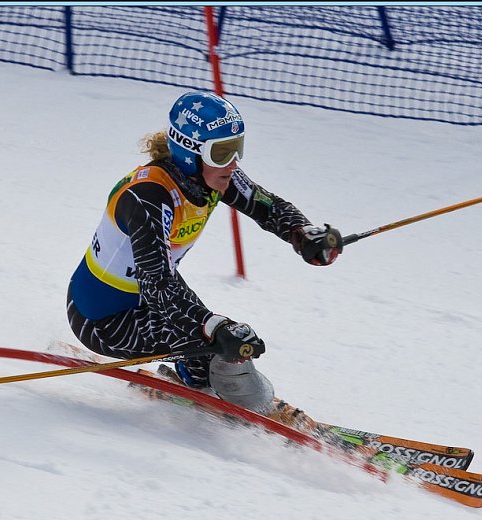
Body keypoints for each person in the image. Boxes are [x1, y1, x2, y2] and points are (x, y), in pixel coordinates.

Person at [66, 90, 342, 418]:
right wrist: (212, 325)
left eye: (237, 148)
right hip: (103, 320)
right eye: (223, 152)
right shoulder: (148, 197)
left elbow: (266, 206)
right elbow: (157, 283)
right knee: (222, 347)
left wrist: (303, 233)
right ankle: (241, 404)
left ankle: (199, 385)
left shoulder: (213, 177)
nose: (234, 163)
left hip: (149, 300)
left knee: (215, 345)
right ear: (189, 152)